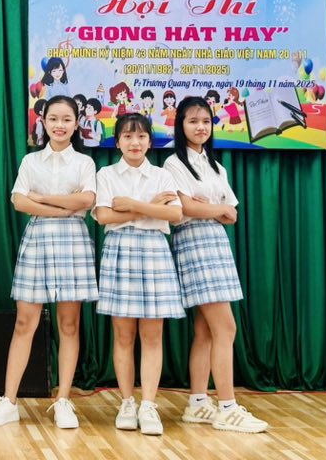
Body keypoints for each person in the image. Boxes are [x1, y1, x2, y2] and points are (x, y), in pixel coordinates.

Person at [0, 96, 97, 430]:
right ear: (43, 121)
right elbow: (19, 202)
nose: (60, 125)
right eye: (53, 119)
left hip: (73, 242)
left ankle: (63, 400)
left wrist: (43, 198)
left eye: (67, 119)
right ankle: (9, 401)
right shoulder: (31, 160)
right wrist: (63, 208)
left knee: (69, 325)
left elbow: (87, 200)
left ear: (77, 124)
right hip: (38, 239)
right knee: (24, 322)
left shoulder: (85, 163)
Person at [164, 97, 268, 433]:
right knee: (226, 328)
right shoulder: (173, 163)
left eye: (206, 121)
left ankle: (197, 402)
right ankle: (227, 407)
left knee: (207, 330)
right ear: (180, 125)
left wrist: (209, 208)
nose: (200, 127)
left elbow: (232, 214)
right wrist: (213, 209)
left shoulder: (216, 166)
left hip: (216, 243)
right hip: (194, 243)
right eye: (193, 121)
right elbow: (184, 208)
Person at [93, 112, 184, 436]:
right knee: (123, 335)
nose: (135, 142)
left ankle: (148, 405)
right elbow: (104, 216)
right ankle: (127, 402)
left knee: (152, 335)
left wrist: (131, 205)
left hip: (154, 251)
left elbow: (174, 214)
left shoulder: (162, 175)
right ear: (117, 142)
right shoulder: (106, 174)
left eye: (141, 136)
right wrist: (150, 207)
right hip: (119, 250)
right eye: (128, 136)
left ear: (150, 141)